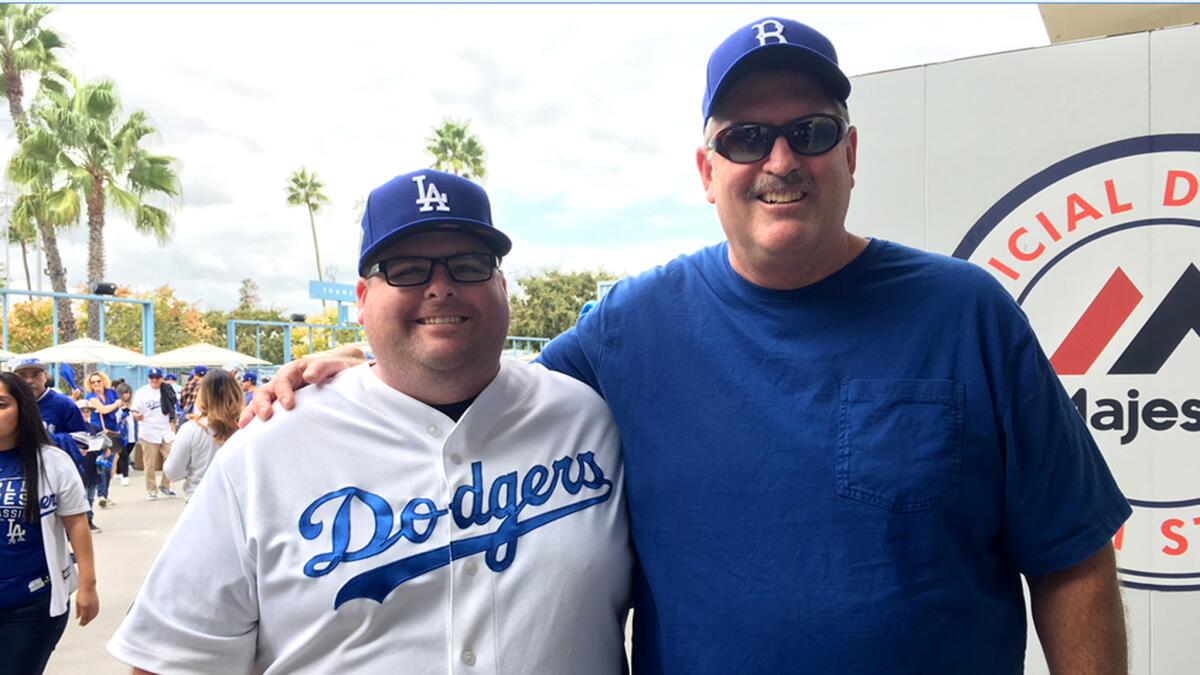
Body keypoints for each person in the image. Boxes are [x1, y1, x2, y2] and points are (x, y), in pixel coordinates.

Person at [253, 18, 1132, 675]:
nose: (780, 159)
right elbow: (488, 396)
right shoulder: (635, 324)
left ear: (851, 153)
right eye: (747, 137)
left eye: (811, 132)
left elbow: (1073, 561)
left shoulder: (967, 313)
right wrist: (371, 372)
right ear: (707, 171)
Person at [108, 169, 631, 673]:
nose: (441, 287)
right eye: (406, 269)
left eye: (469, 264)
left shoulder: (587, 418)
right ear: (362, 299)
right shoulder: (269, 445)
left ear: (502, 285)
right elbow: (176, 660)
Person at [0, 371, 99, 673]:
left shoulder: (52, 462)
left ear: (23, 410)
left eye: (2, 404)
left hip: (31, 605)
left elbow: (76, 524)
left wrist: (88, 585)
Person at [162, 369, 242, 501]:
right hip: (240, 503)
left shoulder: (191, 429)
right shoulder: (248, 427)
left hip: (199, 501)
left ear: (203, 395)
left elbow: (173, 472)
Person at [11, 358, 87, 475]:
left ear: (45, 376)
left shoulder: (62, 403)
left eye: (36, 375)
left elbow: (84, 440)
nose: (29, 380)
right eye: (22, 376)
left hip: (57, 474)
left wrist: (46, 439)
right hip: (18, 472)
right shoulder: (10, 404)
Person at [130, 367, 176, 500]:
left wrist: (173, 423)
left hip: (165, 429)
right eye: (152, 378)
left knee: (171, 458)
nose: (154, 380)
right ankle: (151, 489)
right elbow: (134, 410)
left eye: (157, 378)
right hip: (149, 430)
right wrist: (136, 415)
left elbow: (173, 408)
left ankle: (165, 485)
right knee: (150, 463)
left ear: (162, 378)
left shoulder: (167, 390)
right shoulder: (142, 392)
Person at [71, 399, 110, 531]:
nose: (84, 413)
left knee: (90, 496)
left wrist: (104, 451)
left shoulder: (94, 428)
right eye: (81, 411)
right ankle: (79, 523)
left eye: (87, 411)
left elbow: (106, 443)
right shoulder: (71, 428)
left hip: (92, 466)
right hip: (77, 467)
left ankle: (89, 520)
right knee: (78, 497)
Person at [83, 372, 122, 497]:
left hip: (113, 431)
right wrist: (116, 404)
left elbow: (122, 405)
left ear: (103, 381)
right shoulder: (90, 396)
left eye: (98, 381)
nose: (96, 384)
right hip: (99, 432)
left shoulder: (111, 393)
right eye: (93, 382)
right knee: (101, 463)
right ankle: (100, 494)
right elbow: (103, 409)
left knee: (110, 465)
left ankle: (105, 494)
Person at [114, 383, 137, 488]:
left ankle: (118, 472)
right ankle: (125, 476)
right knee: (123, 455)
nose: (127, 395)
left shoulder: (133, 404)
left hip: (132, 434)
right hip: (122, 434)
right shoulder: (116, 404)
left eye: (128, 393)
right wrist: (124, 413)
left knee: (126, 453)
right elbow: (116, 419)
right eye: (124, 393)